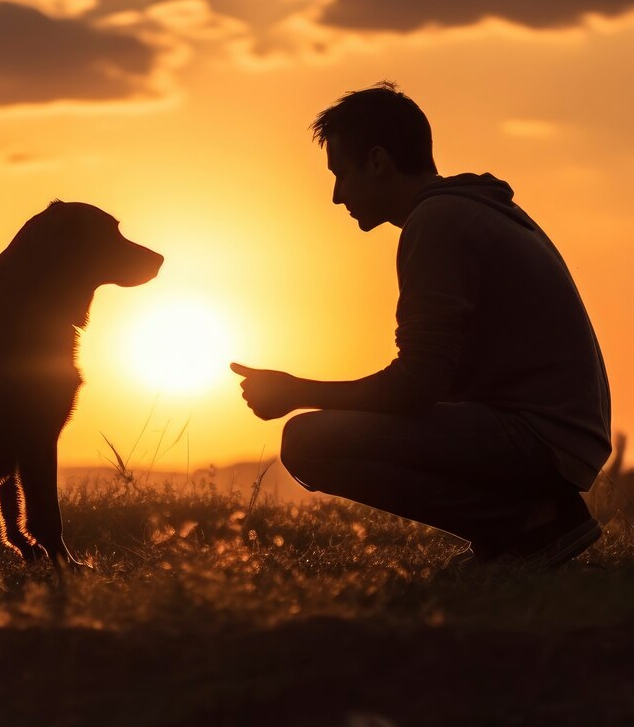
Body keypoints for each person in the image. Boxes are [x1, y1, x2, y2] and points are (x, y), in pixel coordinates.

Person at [231, 82, 611, 565]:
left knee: (308, 442)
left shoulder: (438, 222)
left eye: (341, 174)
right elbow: (437, 378)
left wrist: (294, 392)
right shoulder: (468, 210)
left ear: (377, 161)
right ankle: (521, 525)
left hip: (539, 441)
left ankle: (528, 526)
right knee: (326, 433)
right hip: (558, 439)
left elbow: (414, 388)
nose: (335, 195)